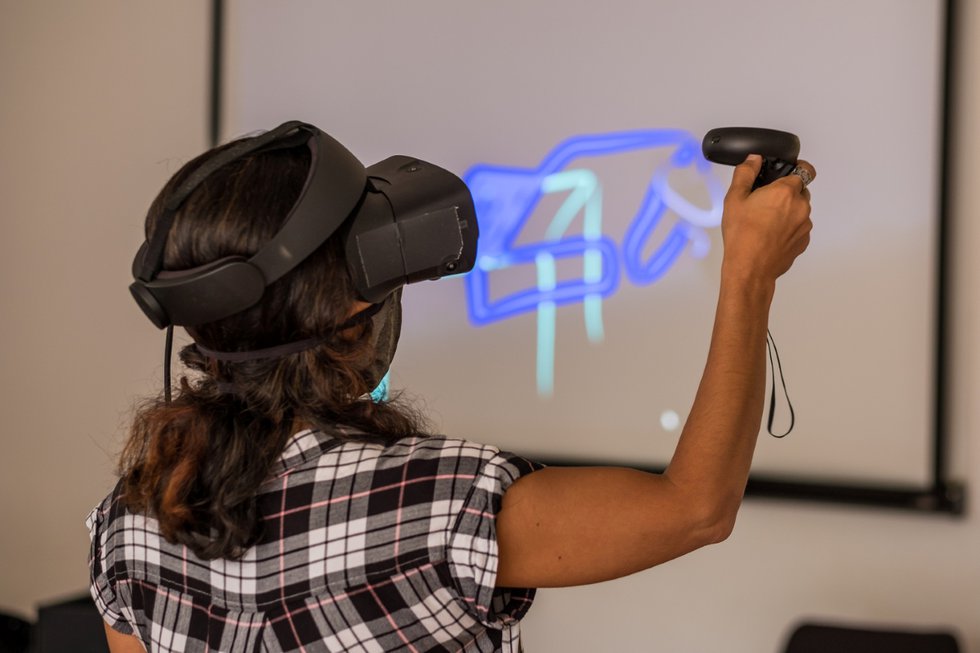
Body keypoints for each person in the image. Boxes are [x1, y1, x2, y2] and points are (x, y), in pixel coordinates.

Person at [88, 124, 814, 653]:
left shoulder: (136, 516)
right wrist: (748, 275)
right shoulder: (433, 503)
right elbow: (694, 508)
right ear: (347, 317)